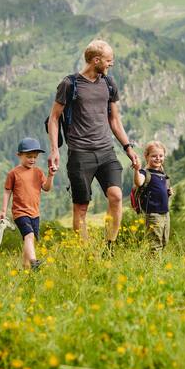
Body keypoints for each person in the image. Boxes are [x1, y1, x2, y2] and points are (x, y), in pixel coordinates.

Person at [47, 39, 140, 249]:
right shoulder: (69, 84)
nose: (111, 64)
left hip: (106, 151)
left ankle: (109, 247)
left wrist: (128, 147)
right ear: (96, 60)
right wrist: (54, 150)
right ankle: (86, 252)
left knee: (116, 196)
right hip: (80, 154)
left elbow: (114, 120)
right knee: (81, 207)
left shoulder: (109, 84)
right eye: (108, 60)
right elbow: (54, 118)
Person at [0, 136, 54, 270]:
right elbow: (7, 192)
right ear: (19, 155)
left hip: (35, 213)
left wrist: (51, 175)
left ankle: (25, 267)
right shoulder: (13, 173)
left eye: (35, 157)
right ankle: (34, 262)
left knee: (28, 239)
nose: (32, 159)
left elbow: (46, 188)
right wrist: (3, 211)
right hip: (20, 213)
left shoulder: (38, 172)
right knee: (29, 235)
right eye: (29, 156)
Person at [134, 141, 172, 252]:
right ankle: (153, 262)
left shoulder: (162, 175)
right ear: (147, 156)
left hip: (165, 213)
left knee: (164, 241)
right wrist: (136, 169)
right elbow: (139, 182)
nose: (158, 158)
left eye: (161, 156)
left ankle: (153, 260)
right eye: (154, 156)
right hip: (153, 214)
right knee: (155, 243)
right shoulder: (144, 173)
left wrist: (168, 192)